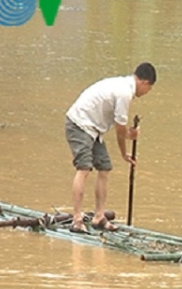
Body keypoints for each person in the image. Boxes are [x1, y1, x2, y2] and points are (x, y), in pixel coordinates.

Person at [64, 62, 157, 233]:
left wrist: (129, 135)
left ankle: (99, 216)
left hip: (93, 129)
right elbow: (120, 128)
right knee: (84, 168)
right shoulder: (125, 92)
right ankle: (77, 219)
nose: (146, 93)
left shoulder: (123, 86)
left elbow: (121, 127)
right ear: (144, 83)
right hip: (79, 124)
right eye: (148, 89)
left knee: (105, 167)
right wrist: (124, 152)